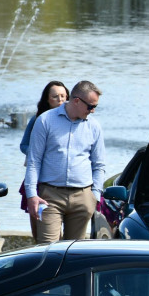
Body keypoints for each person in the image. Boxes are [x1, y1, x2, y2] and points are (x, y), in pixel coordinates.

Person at [24, 80, 106, 244]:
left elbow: (99, 165)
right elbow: (34, 161)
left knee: (74, 254)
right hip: (50, 197)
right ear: (76, 101)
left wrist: (94, 197)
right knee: (47, 251)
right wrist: (31, 195)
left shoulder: (94, 126)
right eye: (90, 106)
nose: (93, 110)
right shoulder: (45, 120)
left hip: (83, 197)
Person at [19, 81, 69, 240]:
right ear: (47, 100)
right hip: (40, 179)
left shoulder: (73, 119)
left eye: (63, 96)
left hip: (65, 182)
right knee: (40, 230)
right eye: (55, 97)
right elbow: (23, 144)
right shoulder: (38, 119)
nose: (60, 100)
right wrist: (38, 153)